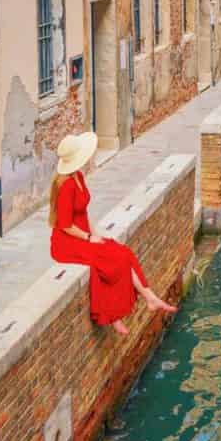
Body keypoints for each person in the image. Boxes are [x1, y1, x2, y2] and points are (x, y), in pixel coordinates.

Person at [49, 132, 177, 336]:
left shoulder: (78, 176)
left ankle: (146, 297)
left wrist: (98, 233)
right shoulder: (66, 186)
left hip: (84, 235)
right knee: (114, 259)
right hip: (68, 243)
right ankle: (121, 310)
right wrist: (90, 238)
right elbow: (64, 225)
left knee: (122, 251)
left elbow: (83, 212)